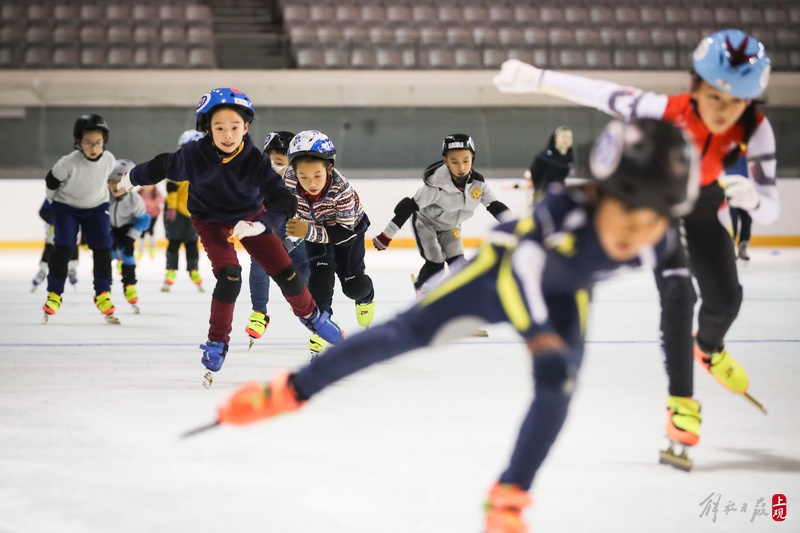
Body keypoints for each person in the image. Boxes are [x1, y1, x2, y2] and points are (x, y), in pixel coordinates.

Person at [211, 118, 700, 533]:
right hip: (498, 276)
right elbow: (522, 279)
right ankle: (290, 391)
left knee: (559, 383)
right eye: (628, 217)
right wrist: (538, 335)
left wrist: (681, 397)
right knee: (403, 334)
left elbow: (679, 312)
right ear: (597, 193)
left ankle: (509, 494)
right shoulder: (564, 214)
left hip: (566, 289)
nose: (636, 236)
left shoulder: (661, 238)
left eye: (653, 222)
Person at [492, 28, 779, 456]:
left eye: (736, 102)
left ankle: (710, 347)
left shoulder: (755, 129)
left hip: (704, 205)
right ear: (694, 84)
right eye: (716, 98)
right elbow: (602, 93)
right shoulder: (664, 109)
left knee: (726, 300)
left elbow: (771, 207)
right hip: (661, 206)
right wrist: (537, 78)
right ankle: (681, 403)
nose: (724, 111)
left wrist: (755, 198)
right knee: (678, 293)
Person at [114, 87, 344, 386]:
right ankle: (217, 341)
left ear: (246, 127)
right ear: (207, 128)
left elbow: (282, 201)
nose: (227, 135)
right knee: (230, 275)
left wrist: (262, 224)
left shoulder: (252, 161)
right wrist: (130, 179)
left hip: (250, 218)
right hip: (210, 222)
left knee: (285, 272)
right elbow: (162, 165)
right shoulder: (194, 155)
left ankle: (313, 316)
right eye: (219, 127)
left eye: (234, 127)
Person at [372, 134, 512, 296]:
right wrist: (386, 236)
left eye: (466, 161)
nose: (461, 167)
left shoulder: (478, 184)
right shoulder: (436, 184)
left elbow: (495, 206)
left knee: (459, 264)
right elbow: (407, 206)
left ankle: (459, 296)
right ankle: (421, 290)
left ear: (473, 158)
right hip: (426, 224)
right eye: (454, 162)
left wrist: (518, 227)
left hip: (451, 227)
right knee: (436, 263)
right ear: (445, 161)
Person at [283, 130, 373, 357]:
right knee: (320, 276)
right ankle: (322, 325)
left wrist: (307, 230)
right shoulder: (289, 179)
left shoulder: (342, 190)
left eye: (317, 176)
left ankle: (366, 296)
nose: (310, 183)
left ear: (329, 168)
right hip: (313, 231)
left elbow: (343, 233)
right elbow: (280, 208)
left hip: (347, 232)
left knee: (352, 284)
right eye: (303, 176)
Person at [42, 114, 119, 324]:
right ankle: (54, 294)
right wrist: (52, 204)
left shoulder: (109, 159)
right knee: (64, 246)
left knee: (103, 247)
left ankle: (103, 294)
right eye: (87, 142)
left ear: (104, 141)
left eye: (97, 142)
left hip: (96, 206)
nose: (93, 147)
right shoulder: (68, 162)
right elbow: (51, 180)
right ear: (78, 142)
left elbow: (109, 180)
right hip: (66, 206)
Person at [244, 130, 311, 347]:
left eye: (279, 162)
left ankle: (303, 301)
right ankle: (259, 312)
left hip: (296, 231)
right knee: (258, 264)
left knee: (303, 264)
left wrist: (293, 241)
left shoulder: (303, 183)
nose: (273, 167)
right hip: (269, 228)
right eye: (269, 161)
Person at [162, 130, 205, 293]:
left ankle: (193, 270)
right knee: (174, 242)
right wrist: (172, 207)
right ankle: (170, 271)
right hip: (177, 212)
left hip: (193, 212)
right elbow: (171, 188)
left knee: (191, 243)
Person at [107, 159, 151, 313]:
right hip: (109, 229)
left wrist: (131, 236)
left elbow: (144, 220)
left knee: (127, 254)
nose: (116, 186)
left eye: (120, 183)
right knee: (107, 256)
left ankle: (130, 285)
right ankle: (104, 288)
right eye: (112, 181)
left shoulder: (134, 200)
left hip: (126, 230)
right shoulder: (103, 196)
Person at [31, 199, 79, 291]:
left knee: (73, 245)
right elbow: (43, 211)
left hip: (72, 226)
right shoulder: (53, 195)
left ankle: (72, 269)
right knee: (51, 246)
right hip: (55, 227)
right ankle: (42, 270)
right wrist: (53, 220)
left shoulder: (77, 192)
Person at [524, 125, 574, 203]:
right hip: (542, 196)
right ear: (555, 138)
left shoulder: (569, 157)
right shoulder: (544, 156)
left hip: (559, 196)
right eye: (563, 136)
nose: (566, 140)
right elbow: (533, 173)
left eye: (569, 137)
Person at [726, 156, 753, 260]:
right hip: (731, 186)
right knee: (732, 219)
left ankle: (743, 246)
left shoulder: (748, 147)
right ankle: (730, 247)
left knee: (747, 218)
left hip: (747, 186)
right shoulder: (729, 147)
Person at [136, 183, 164, 260]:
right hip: (143, 216)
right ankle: (139, 250)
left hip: (153, 216)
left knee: (151, 230)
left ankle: (152, 248)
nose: (147, 187)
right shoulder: (139, 193)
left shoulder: (156, 193)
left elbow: (162, 200)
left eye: (149, 185)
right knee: (142, 232)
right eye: (146, 185)